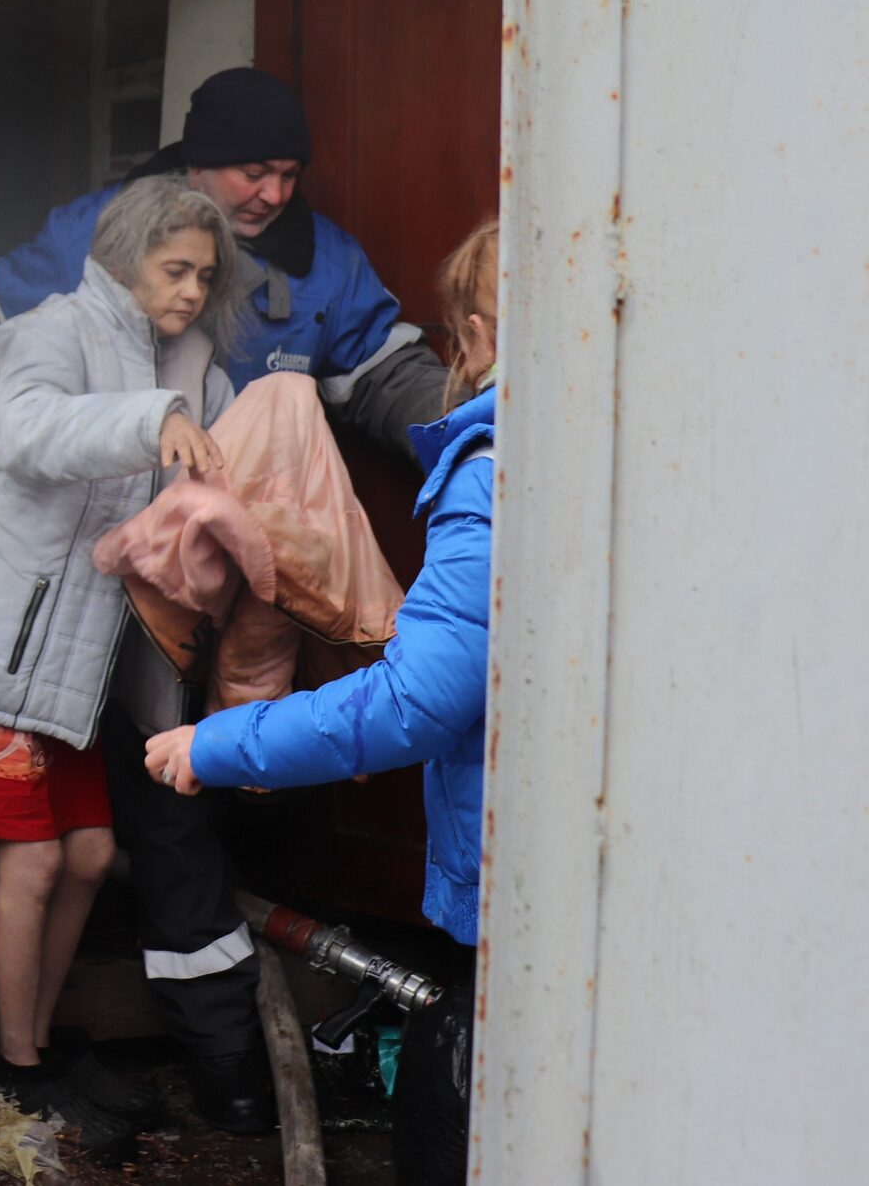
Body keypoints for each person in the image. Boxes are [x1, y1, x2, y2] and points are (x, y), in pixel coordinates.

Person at [145, 216, 499, 1186]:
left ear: (475, 340)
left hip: (518, 889)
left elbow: (413, 705)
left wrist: (217, 743)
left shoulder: (496, 472)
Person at [0, 175, 251, 1156]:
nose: (190, 291)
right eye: (173, 268)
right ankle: (17, 1067)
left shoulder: (194, 368)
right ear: (122, 257)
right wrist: (148, 422)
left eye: (204, 275)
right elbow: (20, 432)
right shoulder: (50, 328)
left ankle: (37, 1043)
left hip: (72, 667)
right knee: (40, 858)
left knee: (94, 856)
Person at [0, 67, 449, 462]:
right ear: (199, 164)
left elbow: (385, 376)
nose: (274, 195)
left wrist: (468, 417)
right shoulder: (96, 232)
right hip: (107, 519)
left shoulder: (331, 263)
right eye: (254, 174)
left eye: (289, 176)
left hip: (246, 531)